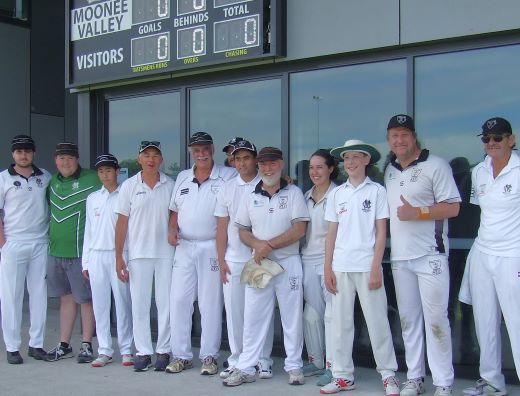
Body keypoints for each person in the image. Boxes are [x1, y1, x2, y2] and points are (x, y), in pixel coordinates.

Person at [384, 115, 460, 396]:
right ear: (389, 140)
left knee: (436, 320)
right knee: (408, 320)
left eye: (404, 134)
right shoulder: (389, 170)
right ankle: (414, 377)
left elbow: (452, 208)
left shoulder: (436, 165)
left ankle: (443, 382)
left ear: (414, 136)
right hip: (400, 258)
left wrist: (418, 212)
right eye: (394, 136)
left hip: (431, 255)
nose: (399, 140)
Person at [223, 146, 310, 387]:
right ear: (258, 166)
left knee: (291, 316)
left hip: (288, 261)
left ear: (281, 164)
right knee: (253, 316)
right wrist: (258, 246)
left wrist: (268, 245)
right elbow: (242, 230)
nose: (267, 168)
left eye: (272, 163)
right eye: (263, 164)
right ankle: (246, 366)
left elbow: (299, 229)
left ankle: (294, 367)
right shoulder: (250, 195)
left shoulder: (293, 193)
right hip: (259, 263)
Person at [321, 140, 399, 395]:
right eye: (347, 158)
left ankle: (388, 375)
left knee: (377, 322)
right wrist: (327, 268)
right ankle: (343, 375)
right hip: (340, 266)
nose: (351, 162)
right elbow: (331, 234)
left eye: (356, 157)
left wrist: (376, 266)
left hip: (367, 266)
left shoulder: (376, 191)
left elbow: (381, 231)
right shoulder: (337, 194)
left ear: (367, 160)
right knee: (340, 325)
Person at [167, 132, 236, 375]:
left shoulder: (228, 175)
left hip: (212, 246)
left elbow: (252, 182)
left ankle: (209, 356)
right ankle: (181, 355)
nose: (201, 153)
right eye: (196, 149)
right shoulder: (183, 177)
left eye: (205, 148)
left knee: (210, 303)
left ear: (213, 149)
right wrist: (172, 228)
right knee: (178, 301)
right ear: (190, 152)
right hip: (184, 247)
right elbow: (174, 210)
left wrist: (286, 181)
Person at [461, 117, 520, 396]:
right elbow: (482, 212)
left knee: (517, 322)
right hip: (483, 254)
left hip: (513, 255)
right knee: (485, 321)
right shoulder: (479, 172)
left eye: (498, 138)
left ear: (512, 139)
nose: (492, 143)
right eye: (486, 139)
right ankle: (492, 382)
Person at [214, 139, 275, 380]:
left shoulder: (268, 182)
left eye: (246, 157)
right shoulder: (227, 188)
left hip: (260, 259)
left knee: (260, 312)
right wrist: (221, 260)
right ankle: (237, 359)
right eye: (236, 158)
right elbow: (221, 228)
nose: (241, 163)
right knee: (235, 313)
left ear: (255, 158)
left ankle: (263, 360)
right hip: (233, 259)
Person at [115, 141, 175, 372]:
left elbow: (175, 216)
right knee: (139, 305)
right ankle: (143, 351)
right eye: (146, 155)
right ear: (139, 159)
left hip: (165, 254)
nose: (151, 159)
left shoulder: (170, 184)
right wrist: (118, 256)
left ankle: (163, 350)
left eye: (155, 155)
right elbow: (121, 224)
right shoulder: (129, 186)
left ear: (161, 160)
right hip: (138, 254)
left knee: (165, 304)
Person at [45, 142, 101, 363]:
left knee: (86, 299)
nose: (65, 162)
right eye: (61, 158)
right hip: (56, 252)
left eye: (69, 158)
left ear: (77, 159)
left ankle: (86, 344)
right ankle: (64, 344)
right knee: (66, 299)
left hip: (80, 253)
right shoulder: (52, 182)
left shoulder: (93, 178)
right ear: (55, 160)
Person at [0, 135, 51, 364]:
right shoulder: (3, 179)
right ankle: (12, 347)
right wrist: (3, 243)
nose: (23, 155)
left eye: (27, 151)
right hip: (14, 242)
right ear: (13, 154)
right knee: (12, 296)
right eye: (19, 151)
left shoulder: (46, 177)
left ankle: (36, 345)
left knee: (39, 295)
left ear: (34, 153)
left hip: (40, 243)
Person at [82, 154, 133, 368]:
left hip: (118, 255)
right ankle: (104, 350)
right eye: (101, 171)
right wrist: (86, 262)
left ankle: (127, 350)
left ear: (117, 171)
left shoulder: (126, 195)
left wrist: (125, 259)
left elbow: (129, 231)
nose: (105, 175)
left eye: (108, 170)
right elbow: (88, 232)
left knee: (122, 303)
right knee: (101, 305)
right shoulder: (93, 197)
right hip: (96, 256)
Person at [300, 149, 337, 382]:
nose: (314, 172)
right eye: (311, 167)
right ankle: (315, 361)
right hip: (306, 260)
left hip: (330, 262)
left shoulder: (339, 195)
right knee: (311, 314)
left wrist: (330, 264)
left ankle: (334, 366)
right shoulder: (305, 196)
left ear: (331, 169)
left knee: (333, 315)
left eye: (320, 167)